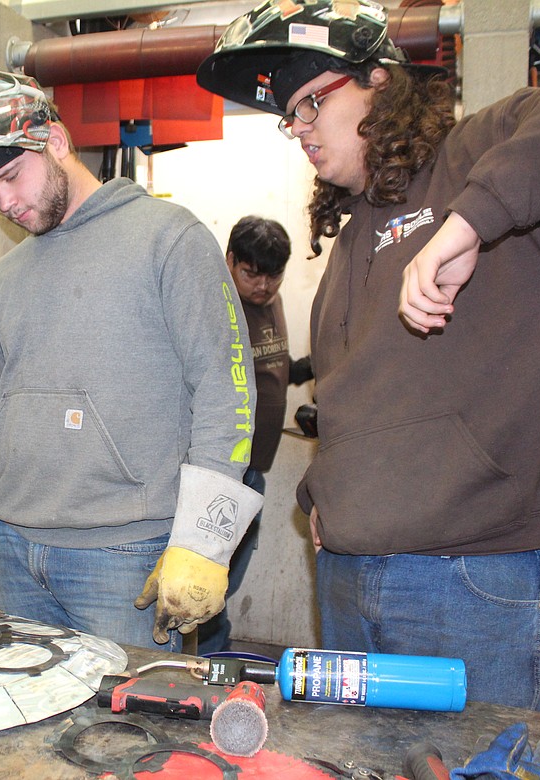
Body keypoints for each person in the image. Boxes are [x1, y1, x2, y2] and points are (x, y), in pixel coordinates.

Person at [197, 0, 540, 707]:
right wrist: (320, 494)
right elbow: (358, 401)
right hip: (350, 571)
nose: (298, 129)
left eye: (311, 104)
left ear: (380, 83)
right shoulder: (355, 237)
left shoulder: (476, 160)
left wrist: (472, 222)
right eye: (288, 115)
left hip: (472, 574)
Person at [0, 64, 262, 650]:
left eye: (12, 177)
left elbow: (227, 391)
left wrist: (201, 543)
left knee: (122, 734)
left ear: (56, 141)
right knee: (30, 731)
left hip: (123, 555)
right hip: (14, 551)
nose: (5, 204)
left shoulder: (171, 238)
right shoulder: (7, 276)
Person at [198, 216, 313, 654]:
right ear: (230, 261)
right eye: (251, 274)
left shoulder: (269, 303)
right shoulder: (217, 305)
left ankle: (213, 655)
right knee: (209, 577)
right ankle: (209, 661)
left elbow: (270, 371)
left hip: (255, 468)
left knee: (227, 573)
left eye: (274, 275)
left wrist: (315, 365)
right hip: (223, 471)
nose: (264, 286)